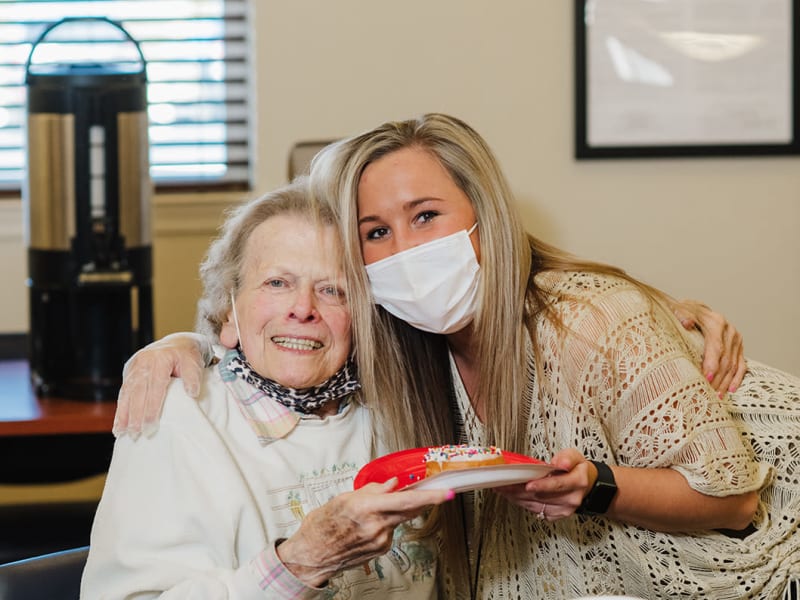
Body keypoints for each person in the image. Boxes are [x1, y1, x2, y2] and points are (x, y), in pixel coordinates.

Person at [113, 114, 799, 599]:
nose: (406, 251)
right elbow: (278, 340)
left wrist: (657, 327)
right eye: (376, 232)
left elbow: (735, 500)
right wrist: (184, 344)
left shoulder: (569, 324)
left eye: (426, 216)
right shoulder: (397, 360)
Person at [81, 179, 453, 599]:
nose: (302, 308)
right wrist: (299, 563)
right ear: (228, 310)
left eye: (332, 290)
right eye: (277, 283)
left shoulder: (400, 402)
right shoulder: (179, 413)